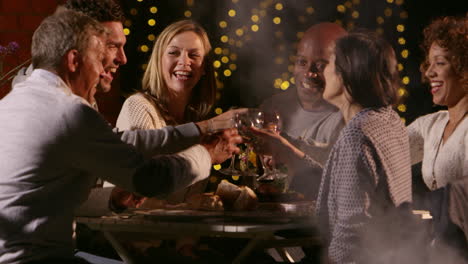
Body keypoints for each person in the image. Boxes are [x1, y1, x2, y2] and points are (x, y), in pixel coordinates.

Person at [0, 9, 240, 264]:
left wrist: (112, 199)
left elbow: (120, 144)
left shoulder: (11, 103)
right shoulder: (70, 111)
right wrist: (208, 153)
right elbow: (152, 179)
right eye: (99, 59)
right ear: (74, 61)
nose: (106, 69)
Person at [253, 32, 414, 263]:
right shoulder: (389, 120)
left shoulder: (357, 134)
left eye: (329, 65)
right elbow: (347, 188)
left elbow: (351, 231)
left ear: (348, 75)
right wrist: (289, 153)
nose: (322, 73)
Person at [116, 19, 217, 205]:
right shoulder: (138, 106)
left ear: (204, 68)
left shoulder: (196, 119)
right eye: (173, 53)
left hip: (179, 233)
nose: (184, 62)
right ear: (158, 60)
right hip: (136, 231)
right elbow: (144, 194)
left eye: (194, 55)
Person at [260, 23, 346, 198]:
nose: (309, 73)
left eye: (320, 66)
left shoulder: (349, 117)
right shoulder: (272, 106)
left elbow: (339, 179)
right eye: (302, 62)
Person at [408, 16, 467, 260]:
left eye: (439, 63)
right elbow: (376, 150)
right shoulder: (431, 124)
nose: (429, 72)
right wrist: (291, 145)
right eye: (429, 63)